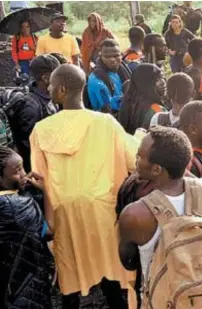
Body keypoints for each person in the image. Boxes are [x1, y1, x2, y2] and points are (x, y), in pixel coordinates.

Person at [30, 64, 139, 309]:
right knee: (111, 274)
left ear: (60, 90)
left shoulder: (42, 130)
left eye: (50, 86)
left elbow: (40, 177)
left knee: (69, 281)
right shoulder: (106, 123)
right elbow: (134, 159)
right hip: (103, 210)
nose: (47, 88)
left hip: (64, 213)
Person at [117, 126, 202, 308]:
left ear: (156, 170)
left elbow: (129, 263)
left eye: (140, 156)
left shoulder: (136, 214)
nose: (136, 160)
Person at [0, 146, 54, 309]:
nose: (25, 174)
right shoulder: (20, 206)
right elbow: (49, 231)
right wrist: (47, 192)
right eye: (17, 170)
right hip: (25, 293)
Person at [9, 55, 60, 172]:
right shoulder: (30, 106)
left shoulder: (50, 98)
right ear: (46, 78)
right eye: (59, 76)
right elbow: (28, 145)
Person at [118, 63, 167, 134]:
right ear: (145, 83)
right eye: (156, 79)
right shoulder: (156, 110)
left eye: (162, 77)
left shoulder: (126, 103)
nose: (163, 82)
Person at [86, 39, 132, 115]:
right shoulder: (97, 79)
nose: (112, 60)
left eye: (116, 56)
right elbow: (109, 106)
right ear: (100, 56)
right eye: (107, 56)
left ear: (121, 55)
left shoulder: (123, 69)